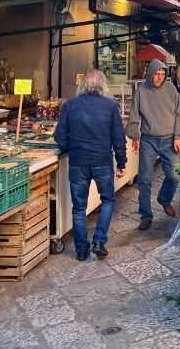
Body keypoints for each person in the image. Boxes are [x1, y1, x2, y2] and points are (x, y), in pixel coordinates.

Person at [54, 69, 126, 262]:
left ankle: (81, 250)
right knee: (108, 200)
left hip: (78, 162)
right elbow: (118, 138)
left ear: (82, 84)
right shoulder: (110, 105)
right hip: (102, 161)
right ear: (103, 84)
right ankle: (99, 241)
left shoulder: (70, 105)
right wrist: (121, 162)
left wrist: (71, 147)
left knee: (78, 207)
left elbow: (59, 136)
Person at [125, 59, 180, 231]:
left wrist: (178, 137)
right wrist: (135, 137)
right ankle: (146, 215)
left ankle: (164, 199)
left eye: (162, 74)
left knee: (174, 176)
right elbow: (134, 117)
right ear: (150, 73)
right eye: (156, 74)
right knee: (144, 179)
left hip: (169, 140)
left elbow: (178, 115)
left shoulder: (171, 89)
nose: (159, 77)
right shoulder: (141, 91)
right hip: (148, 140)